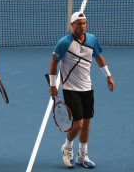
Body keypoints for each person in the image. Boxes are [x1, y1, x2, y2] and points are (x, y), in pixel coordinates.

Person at [48, 12, 114, 168]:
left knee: (86, 122)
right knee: (77, 124)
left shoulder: (92, 39)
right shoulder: (64, 43)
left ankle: (82, 156)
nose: (82, 26)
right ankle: (67, 147)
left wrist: (108, 76)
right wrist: (52, 85)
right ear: (72, 25)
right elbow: (53, 62)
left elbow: (98, 57)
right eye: (79, 24)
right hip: (70, 88)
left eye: (84, 23)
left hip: (87, 87)